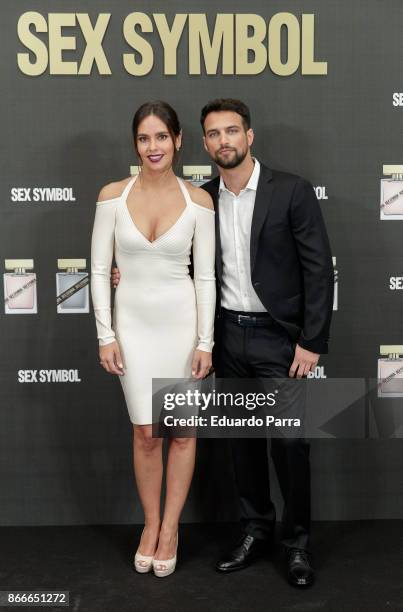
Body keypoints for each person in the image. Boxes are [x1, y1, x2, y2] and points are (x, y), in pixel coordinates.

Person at [112, 98, 334, 587]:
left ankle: (297, 545)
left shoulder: (291, 191)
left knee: (291, 444)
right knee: (242, 445)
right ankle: (255, 531)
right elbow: (183, 269)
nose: (223, 141)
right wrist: (126, 272)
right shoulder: (202, 197)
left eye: (231, 131)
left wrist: (311, 340)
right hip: (227, 335)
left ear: (249, 136)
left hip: (281, 340)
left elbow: (319, 270)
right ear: (204, 143)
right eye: (214, 134)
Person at [91, 100, 216, 578]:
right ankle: (149, 524)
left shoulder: (198, 202)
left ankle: (171, 529)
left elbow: (204, 278)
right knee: (146, 433)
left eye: (161, 137)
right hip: (133, 327)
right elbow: (101, 270)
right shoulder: (112, 197)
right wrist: (106, 334)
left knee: (182, 432)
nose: (153, 146)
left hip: (181, 326)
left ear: (179, 140)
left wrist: (205, 341)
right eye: (144, 138)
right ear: (135, 145)